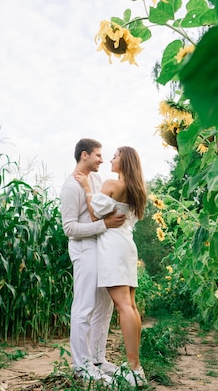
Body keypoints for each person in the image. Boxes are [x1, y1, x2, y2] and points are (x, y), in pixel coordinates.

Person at [74, 146, 148, 387]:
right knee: (131, 306)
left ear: (124, 160)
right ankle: (135, 367)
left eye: (115, 156)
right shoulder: (137, 190)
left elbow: (95, 215)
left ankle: (134, 368)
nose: (110, 160)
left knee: (123, 305)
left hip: (113, 247)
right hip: (127, 245)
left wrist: (86, 188)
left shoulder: (112, 185)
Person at [59, 138, 125, 382]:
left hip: (102, 250)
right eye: (98, 155)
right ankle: (82, 366)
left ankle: (98, 359)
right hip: (85, 251)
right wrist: (103, 225)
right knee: (84, 307)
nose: (101, 159)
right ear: (84, 155)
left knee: (104, 306)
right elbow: (69, 228)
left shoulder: (96, 180)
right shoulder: (70, 186)